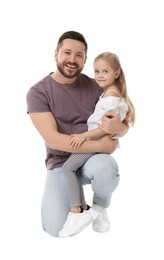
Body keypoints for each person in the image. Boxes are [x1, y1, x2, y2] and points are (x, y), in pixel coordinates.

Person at [26, 31, 128, 238]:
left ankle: (99, 208)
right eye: (67, 53)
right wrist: (103, 145)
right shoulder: (38, 92)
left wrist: (119, 129)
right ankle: (81, 209)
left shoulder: (95, 85)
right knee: (54, 228)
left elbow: (121, 121)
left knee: (106, 167)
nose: (72, 59)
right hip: (60, 164)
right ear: (56, 54)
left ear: (85, 60)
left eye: (79, 55)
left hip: (90, 161)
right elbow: (54, 140)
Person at [59, 52, 135, 237]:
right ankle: (83, 208)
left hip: (94, 141)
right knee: (72, 169)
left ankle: (76, 211)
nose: (99, 75)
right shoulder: (108, 94)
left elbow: (105, 128)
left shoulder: (112, 99)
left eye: (105, 71)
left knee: (67, 168)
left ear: (116, 73)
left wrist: (83, 136)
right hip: (95, 140)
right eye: (96, 71)